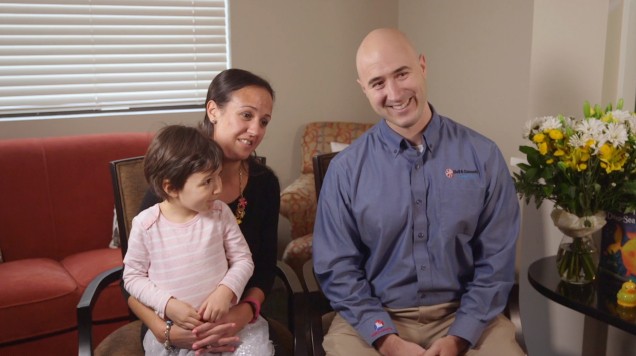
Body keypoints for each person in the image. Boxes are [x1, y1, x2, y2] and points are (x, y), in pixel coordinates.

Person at [312, 28, 523, 356]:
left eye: (401, 73)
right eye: (378, 83)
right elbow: (338, 268)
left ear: (422, 66)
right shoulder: (345, 171)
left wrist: (460, 337)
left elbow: (496, 261)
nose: (394, 93)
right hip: (375, 320)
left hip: (467, 317)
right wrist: (386, 339)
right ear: (363, 89)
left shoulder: (483, 156)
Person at [126, 69, 284, 355]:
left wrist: (241, 315)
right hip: (171, 326)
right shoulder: (172, 183)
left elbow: (263, 269)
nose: (256, 130)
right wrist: (169, 333)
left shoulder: (265, 185)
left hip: (235, 320)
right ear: (213, 110)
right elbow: (132, 282)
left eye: (264, 121)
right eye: (246, 115)